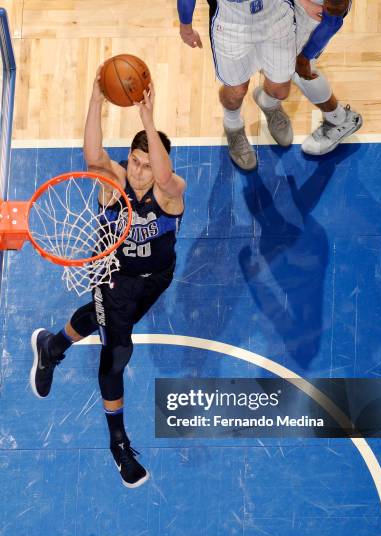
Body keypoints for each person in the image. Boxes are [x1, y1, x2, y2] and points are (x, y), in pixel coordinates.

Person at [30, 69, 186, 489]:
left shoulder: (170, 191)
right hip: (114, 278)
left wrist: (148, 120)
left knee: (105, 321)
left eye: (146, 165)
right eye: (134, 162)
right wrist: (97, 99)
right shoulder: (114, 183)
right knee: (116, 352)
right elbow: (94, 155)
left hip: (156, 279)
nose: (138, 172)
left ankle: (52, 345)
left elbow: (167, 176)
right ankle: (118, 443)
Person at [178, 0, 297, 171]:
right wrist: (186, 27)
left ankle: (269, 103)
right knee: (236, 90)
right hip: (231, 21)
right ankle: (233, 126)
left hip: (275, 11)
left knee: (281, 91)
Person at [293, 0, 362, 154]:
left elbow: (334, 15)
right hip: (297, 5)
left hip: (314, 15)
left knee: (298, 70)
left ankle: (338, 118)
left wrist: (306, 56)